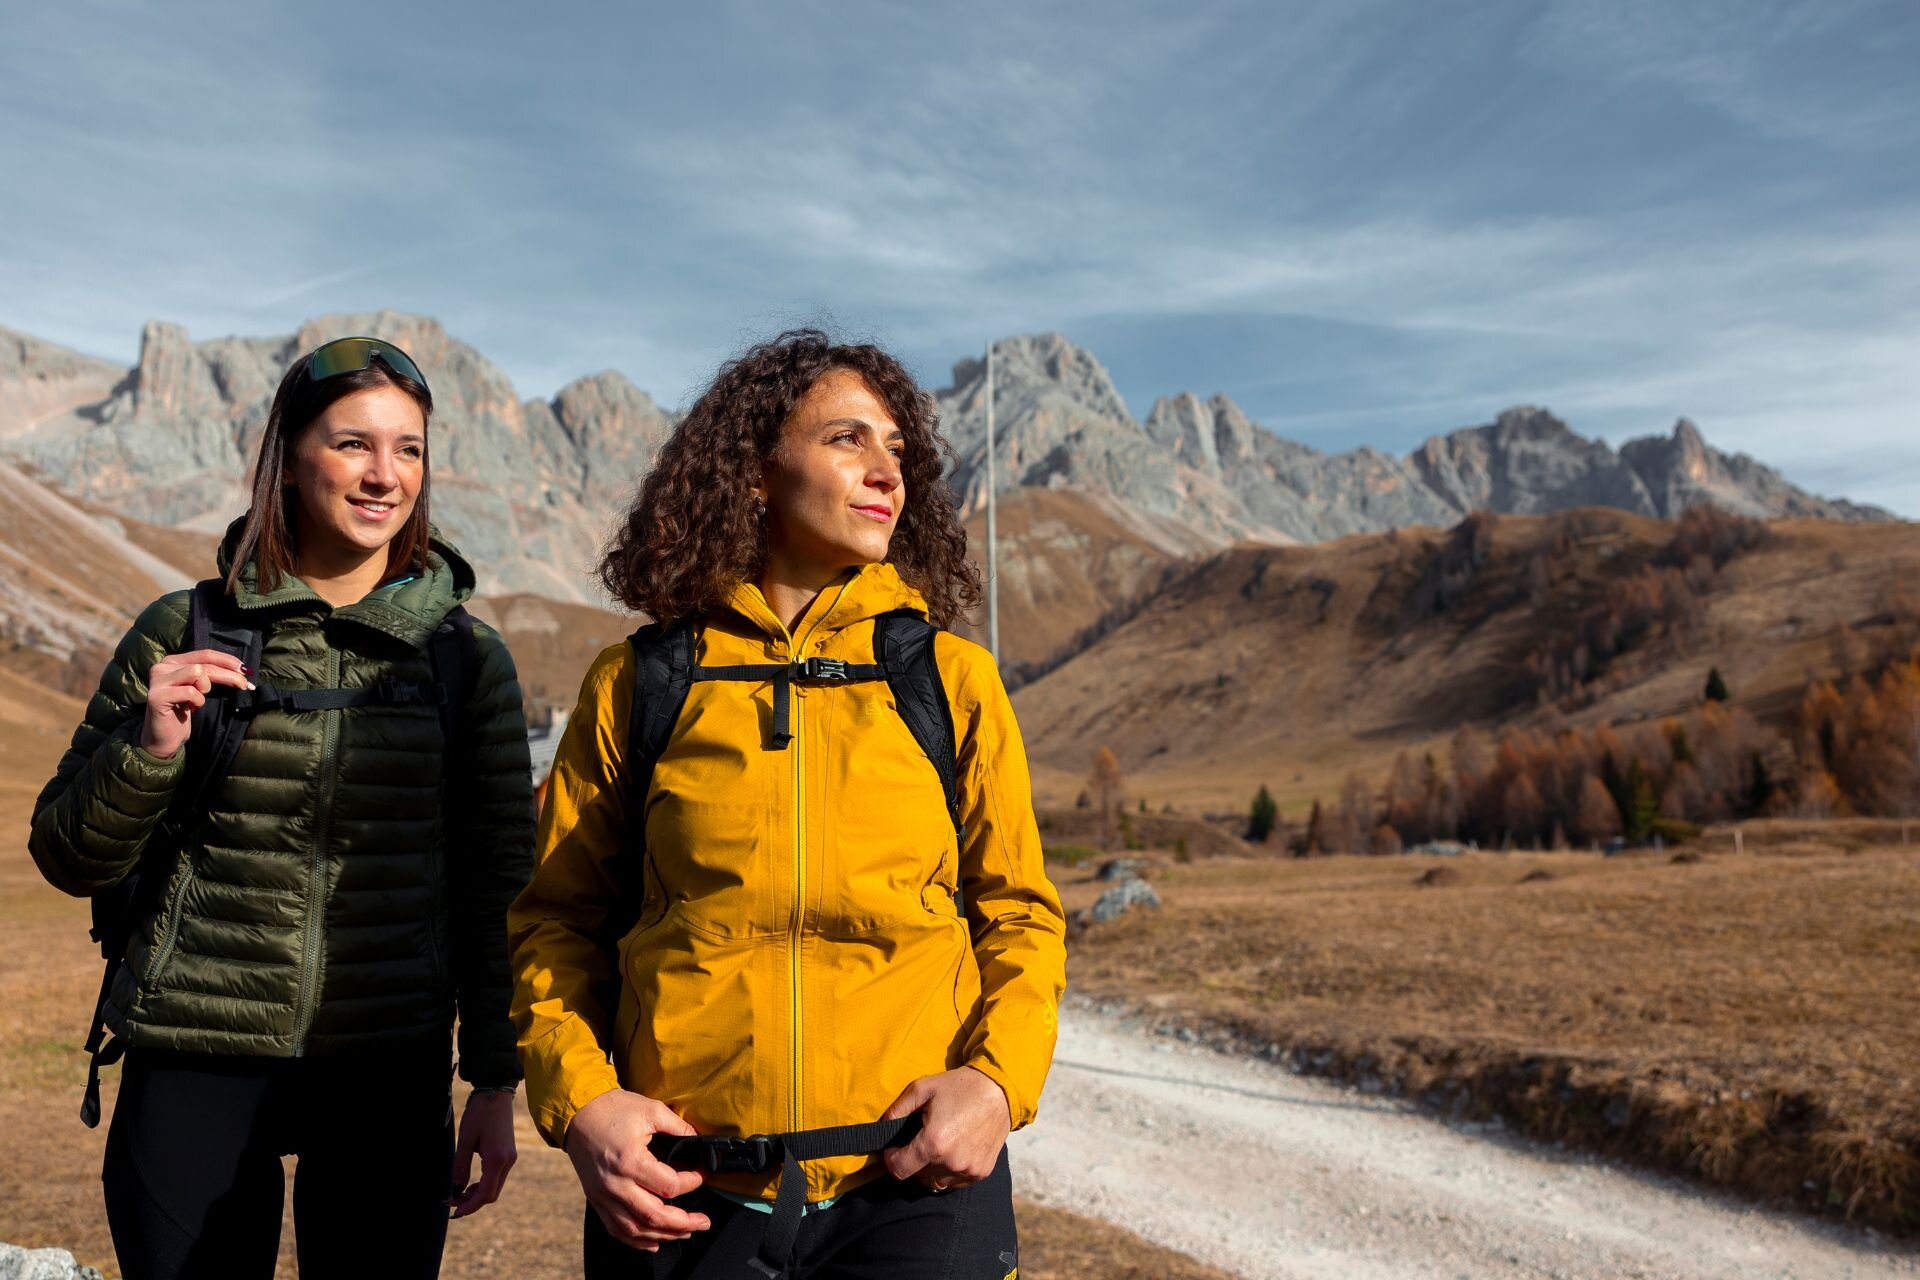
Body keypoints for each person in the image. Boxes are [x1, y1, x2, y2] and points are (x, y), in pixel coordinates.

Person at [508, 329, 1068, 1279]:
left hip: (912, 1196)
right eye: (848, 439)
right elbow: (557, 924)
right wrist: (583, 1106)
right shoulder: (638, 684)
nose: (884, 468)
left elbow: (1019, 916)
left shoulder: (953, 681)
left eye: (898, 449)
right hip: (681, 1196)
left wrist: (995, 1083)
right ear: (756, 475)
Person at [28, 337, 536, 1280]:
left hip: (389, 1068)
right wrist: (148, 752)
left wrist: (495, 1079)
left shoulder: (468, 661)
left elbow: (497, 885)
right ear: (288, 458)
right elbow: (67, 854)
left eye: (410, 449)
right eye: (352, 444)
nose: (385, 476)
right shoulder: (181, 630)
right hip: (193, 1056)